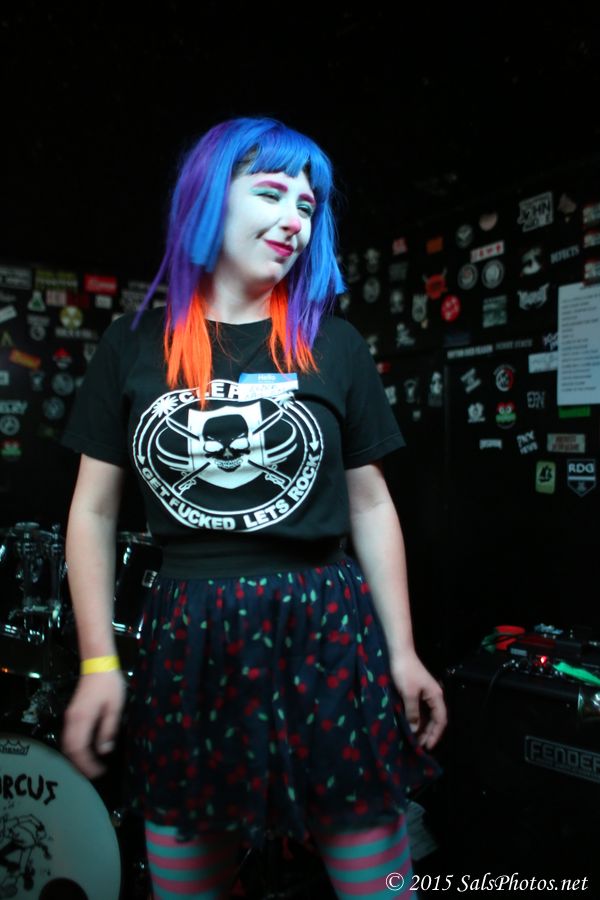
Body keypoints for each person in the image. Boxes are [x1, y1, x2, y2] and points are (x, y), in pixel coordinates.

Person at [60, 116, 447, 900]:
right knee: (186, 883)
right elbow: (93, 513)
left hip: (324, 631)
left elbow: (372, 506)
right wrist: (99, 662)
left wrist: (403, 651)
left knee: (379, 883)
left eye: (307, 205)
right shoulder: (132, 345)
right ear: (208, 198)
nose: (294, 219)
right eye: (271, 192)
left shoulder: (334, 343)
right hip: (192, 638)